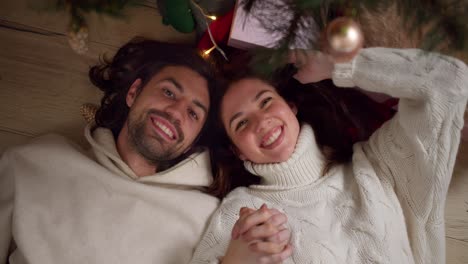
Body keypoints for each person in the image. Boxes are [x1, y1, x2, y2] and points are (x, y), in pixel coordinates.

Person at [0, 38, 290, 264]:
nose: (176, 112)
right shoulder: (33, 162)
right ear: (133, 92)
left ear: (193, 140)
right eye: (168, 92)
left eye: (193, 113)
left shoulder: (212, 218)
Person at [190, 48, 468, 263]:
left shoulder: (376, 163)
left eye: (266, 102)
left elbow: (449, 81)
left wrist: (339, 66)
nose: (261, 122)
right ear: (237, 150)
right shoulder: (244, 211)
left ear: (290, 106)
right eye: (241, 123)